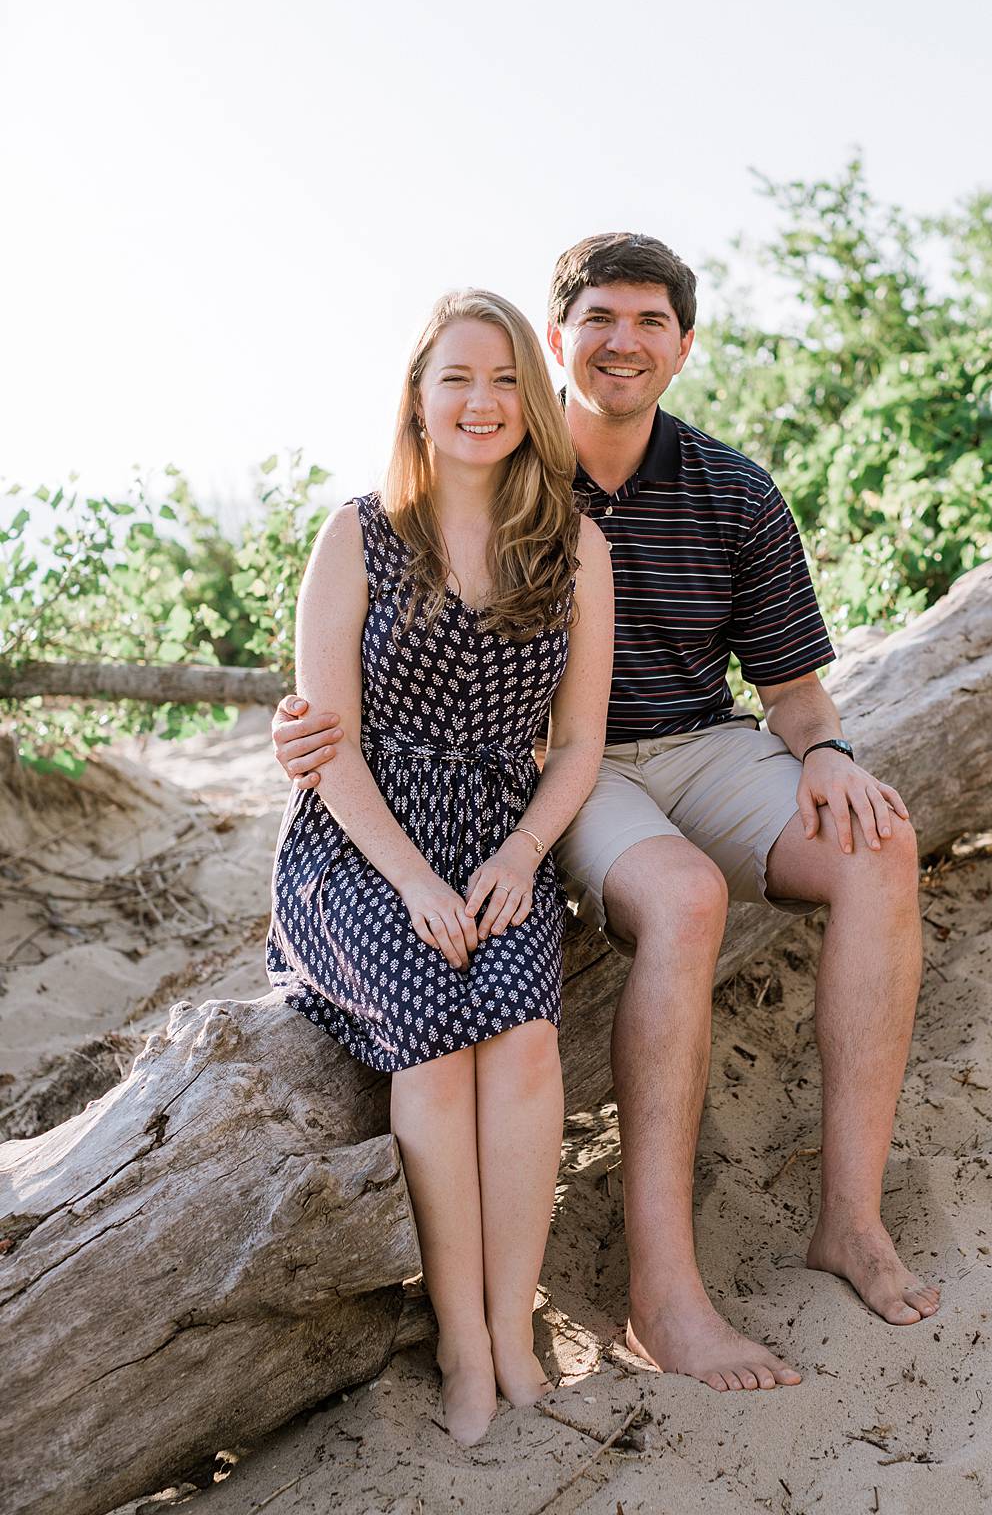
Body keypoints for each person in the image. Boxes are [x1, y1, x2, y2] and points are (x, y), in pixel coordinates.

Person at [273, 234, 939, 1398]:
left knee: (881, 849)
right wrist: (310, 731)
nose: (624, 340)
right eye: (601, 317)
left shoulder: (731, 488)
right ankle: (663, 1296)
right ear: (556, 338)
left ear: (685, 345)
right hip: (551, 774)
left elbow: (788, 687)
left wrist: (828, 749)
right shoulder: (502, 461)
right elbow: (384, 647)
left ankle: (852, 1219)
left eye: (651, 321)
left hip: (703, 742)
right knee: (684, 898)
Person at [266, 288, 613, 1446]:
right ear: (417, 397)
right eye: (457, 378)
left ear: (532, 399)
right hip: (360, 838)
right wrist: (412, 876)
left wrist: (522, 853)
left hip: (500, 839)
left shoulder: (573, 543)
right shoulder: (356, 531)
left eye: (507, 379)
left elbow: (576, 748)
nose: (482, 401)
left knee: (520, 1037)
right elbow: (330, 745)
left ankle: (513, 1330)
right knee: (436, 1034)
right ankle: (460, 1341)